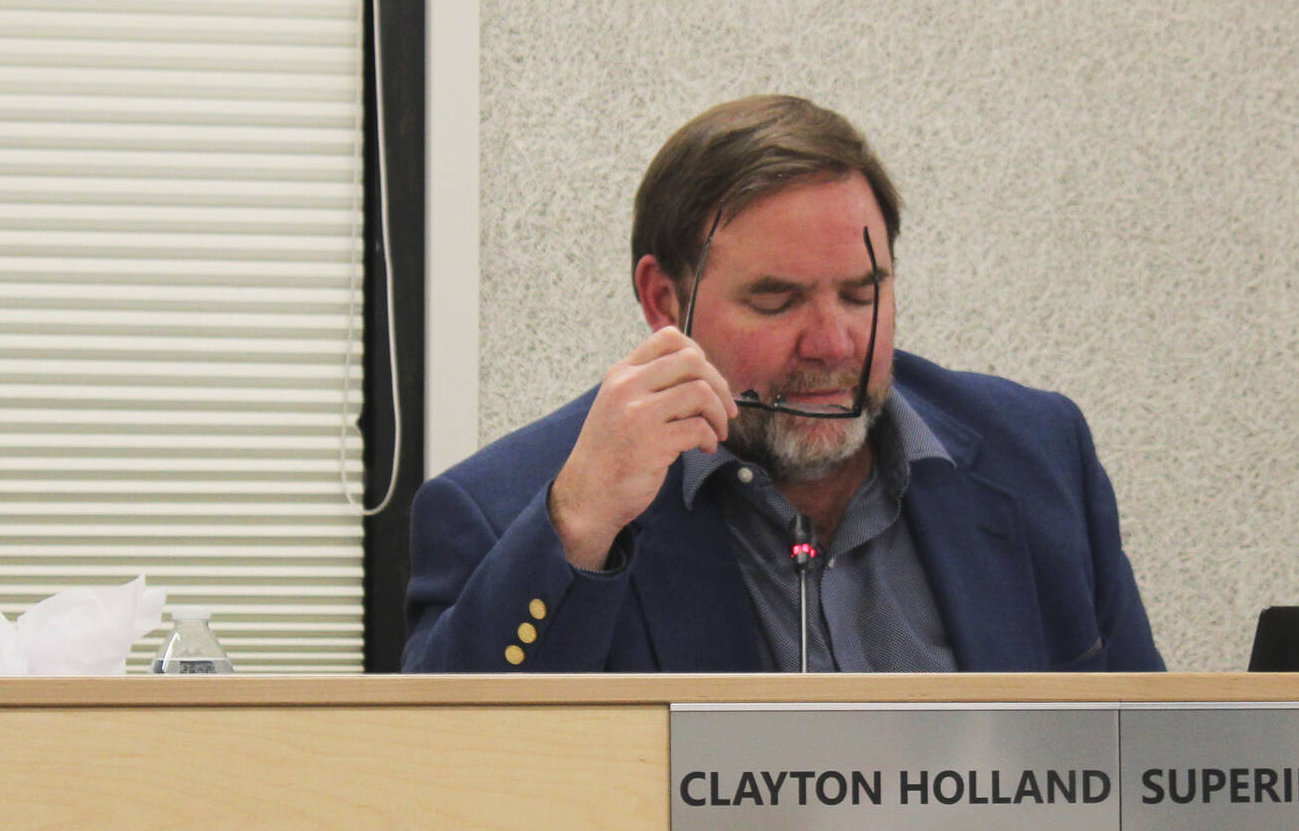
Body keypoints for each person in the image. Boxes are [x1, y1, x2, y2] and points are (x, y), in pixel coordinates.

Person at [402, 95, 1161, 672]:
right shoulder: (509, 512)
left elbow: (1146, 771)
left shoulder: (1038, 456)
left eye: (862, 294)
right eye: (777, 300)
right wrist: (576, 527)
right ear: (666, 301)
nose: (833, 344)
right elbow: (443, 784)